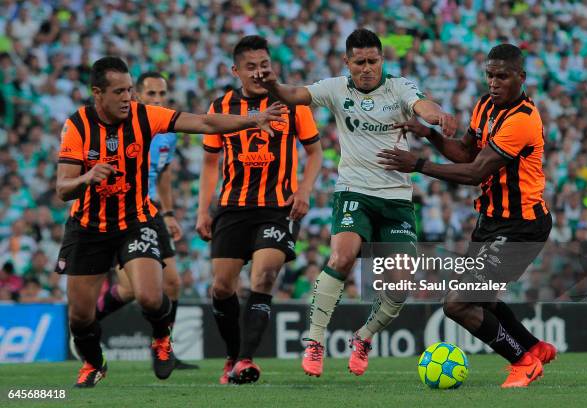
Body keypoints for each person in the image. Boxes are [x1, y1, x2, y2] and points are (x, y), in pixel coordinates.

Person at [55, 56, 283, 388]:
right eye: (119, 92)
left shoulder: (144, 116)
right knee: (79, 317)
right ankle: (94, 362)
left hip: (136, 220)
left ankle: (162, 338)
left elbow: (204, 123)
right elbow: (63, 189)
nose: (127, 98)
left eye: (130, 90)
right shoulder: (76, 126)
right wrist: (87, 177)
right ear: (97, 93)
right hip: (87, 227)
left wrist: (251, 120)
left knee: (150, 295)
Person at [252, 28, 456, 377]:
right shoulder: (335, 88)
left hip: (396, 197)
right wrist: (272, 85)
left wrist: (434, 114)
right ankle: (315, 341)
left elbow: (422, 104)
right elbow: (294, 94)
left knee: (402, 281)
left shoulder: (398, 87)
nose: (366, 68)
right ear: (347, 63)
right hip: (353, 191)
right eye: (359, 62)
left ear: (382, 61)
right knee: (342, 256)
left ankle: (363, 337)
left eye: (373, 61)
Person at [377, 44, 556, 388]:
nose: (493, 82)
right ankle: (535, 347)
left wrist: (418, 165)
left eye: (502, 76)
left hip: (522, 226)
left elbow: (475, 173)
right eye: (489, 74)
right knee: (482, 299)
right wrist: (429, 134)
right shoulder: (485, 106)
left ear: (521, 77)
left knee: (457, 304)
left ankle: (523, 362)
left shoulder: (522, 120)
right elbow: (464, 152)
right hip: (490, 222)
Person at [195, 35, 322, 384]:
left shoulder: (292, 103)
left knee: (264, 276)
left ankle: (247, 361)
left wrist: (304, 190)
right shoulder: (220, 107)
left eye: (264, 65)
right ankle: (232, 356)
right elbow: (209, 163)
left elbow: (315, 152)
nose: (258, 72)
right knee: (222, 288)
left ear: (272, 67)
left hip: (277, 208)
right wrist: (203, 210)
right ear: (236, 71)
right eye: (250, 67)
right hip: (232, 208)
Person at [95, 72, 197, 370]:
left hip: (152, 212)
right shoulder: (125, 127)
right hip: (122, 212)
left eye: (162, 94)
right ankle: (87, 321)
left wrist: (167, 213)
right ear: (136, 96)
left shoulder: (167, 131)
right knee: (130, 290)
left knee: (174, 282)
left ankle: (163, 347)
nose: (158, 100)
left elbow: (163, 174)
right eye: (151, 94)